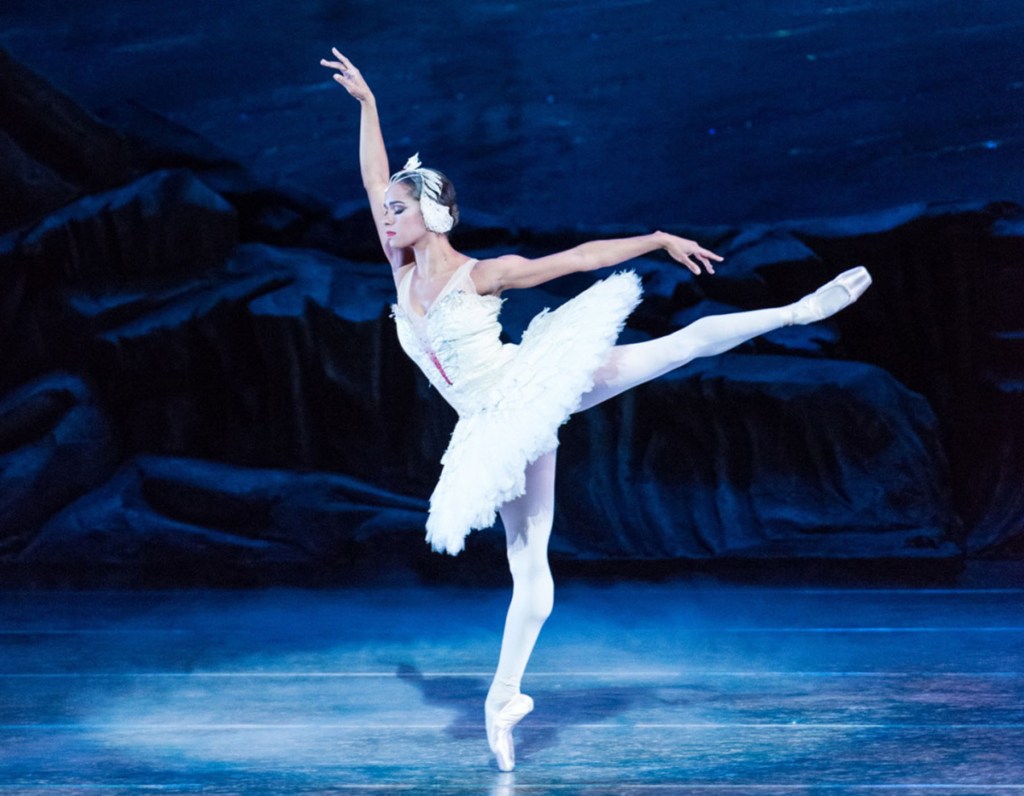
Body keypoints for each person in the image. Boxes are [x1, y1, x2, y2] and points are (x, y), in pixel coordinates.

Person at [320, 48, 871, 772]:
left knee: (670, 350)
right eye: (387, 211)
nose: (385, 218)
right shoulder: (400, 268)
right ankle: (502, 699)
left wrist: (657, 239)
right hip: (489, 429)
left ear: (431, 215)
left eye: (398, 209)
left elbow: (578, 259)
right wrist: (368, 105)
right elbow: (372, 178)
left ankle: (796, 311)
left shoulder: (483, 274)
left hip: (529, 385)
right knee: (529, 571)